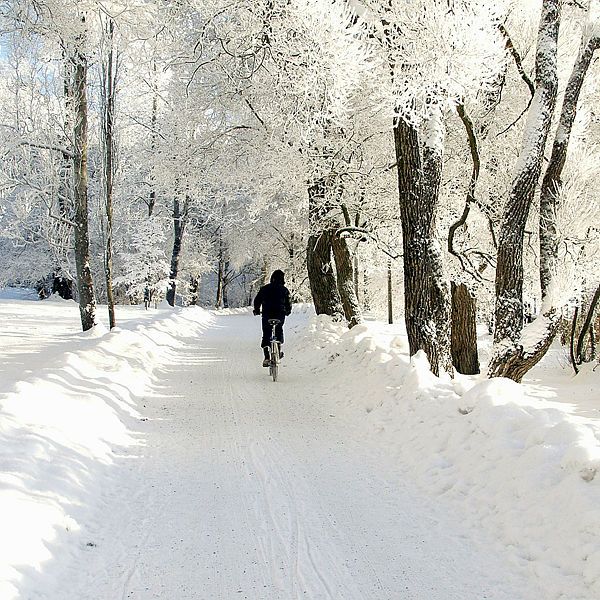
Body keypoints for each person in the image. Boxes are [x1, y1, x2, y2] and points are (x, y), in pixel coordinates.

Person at [253, 270, 292, 367]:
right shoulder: (284, 290)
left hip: (267, 314)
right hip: (279, 314)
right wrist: (288, 310)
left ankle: (266, 357)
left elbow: (257, 300)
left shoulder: (264, 289)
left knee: (266, 332)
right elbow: (289, 302)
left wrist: (257, 310)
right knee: (279, 329)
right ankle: (278, 350)